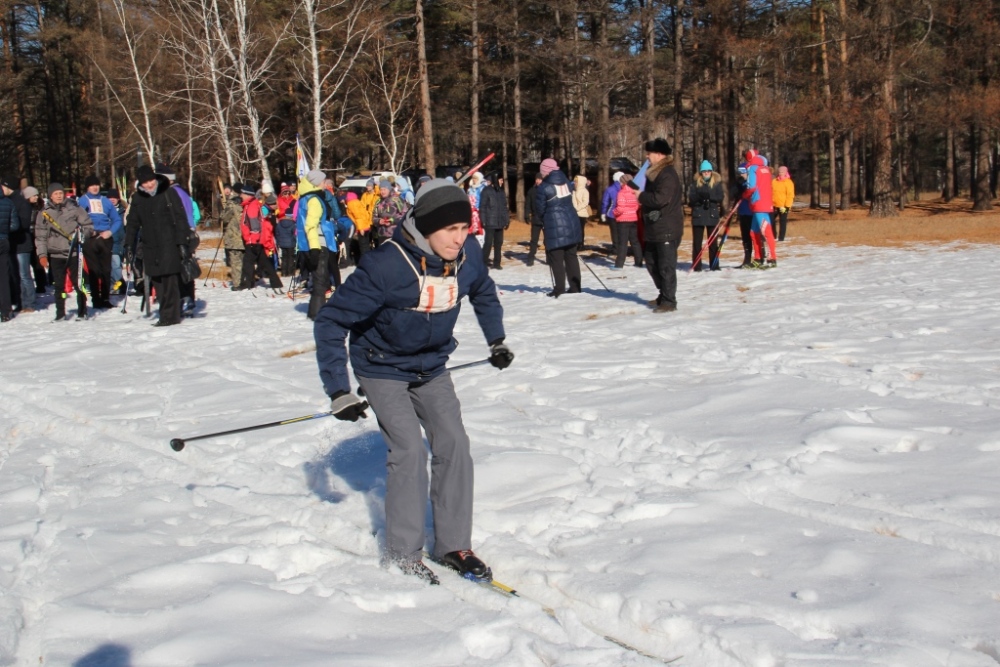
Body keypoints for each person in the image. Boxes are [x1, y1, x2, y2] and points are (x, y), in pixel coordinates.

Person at [314, 178, 513, 585]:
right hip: (381, 366)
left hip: (432, 366)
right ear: (424, 227)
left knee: (454, 443)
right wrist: (339, 390)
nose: (459, 239)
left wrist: (497, 340)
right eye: (449, 231)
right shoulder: (385, 265)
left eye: (464, 230)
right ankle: (404, 553)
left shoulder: (467, 254)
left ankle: (453, 545)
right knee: (407, 449)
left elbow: (484, 292)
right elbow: (331, 321)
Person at [124, 166, 191, 326]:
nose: (149, 185)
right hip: (150, 247)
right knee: (158, 281)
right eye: (145, 182)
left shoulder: (169, 193)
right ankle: (165, 314)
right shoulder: (138, 199)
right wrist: (128, 245)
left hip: (169, 244)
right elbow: (132, 223)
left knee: (170, 280)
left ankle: (171, 316)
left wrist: (182, 243)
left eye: (151, 180)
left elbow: (181, 219)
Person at [628, 137, 683, 312]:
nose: (647, 156)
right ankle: (663, 294)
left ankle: (669, 301)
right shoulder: (655, 174)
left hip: (666, 228)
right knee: (652, 262)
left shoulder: (667, 174)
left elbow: (661, 199)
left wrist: (641, 196)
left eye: (649, 153)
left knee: (666, 266)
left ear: (659, 155)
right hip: (654, 227)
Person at [37, 183, 93, 320]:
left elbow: (88, 225)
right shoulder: (44, 213)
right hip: (55, 253)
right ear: (50, 195)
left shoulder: (74, 208)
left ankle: (82, 311)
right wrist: (42, 254)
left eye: (60, 193)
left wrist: (82, 236)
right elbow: (40, 236)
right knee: (59, 286)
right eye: (55, 194)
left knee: (78, 284)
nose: (58, 196)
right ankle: (60, 313)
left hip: (73, 252)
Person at [535, 158, 582, 297]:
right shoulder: (567, 182)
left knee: (556, 257)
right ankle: (575, 287)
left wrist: (544, 219)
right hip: (572, 222)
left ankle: (559, 288)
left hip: (554, 225)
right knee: (571, 256)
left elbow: (540, 209)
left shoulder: (543, 187)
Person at [297, 169, 339, 319]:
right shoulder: (314, 200)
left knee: (318, 279)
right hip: (318, 243)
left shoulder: (304, 198)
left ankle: (315, 311)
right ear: (316, 183)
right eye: (322, 181)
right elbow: (311, 225)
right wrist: (315, 247)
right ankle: (317, 314)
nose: (324, 184)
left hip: (306, 244)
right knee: (321, 281)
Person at [77, 176, 123, 308]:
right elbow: (77, 219)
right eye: (92, 185)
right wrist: (87, 231)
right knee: (94, 270)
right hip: (90, 238)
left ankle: (105, 298)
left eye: (97, 185)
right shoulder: (82, 201)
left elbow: (117, 220)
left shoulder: (106, 201)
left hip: (105, 238)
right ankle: (96, 299)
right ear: (87, 187)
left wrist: (110, 232)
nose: (95, 187)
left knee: (106, 269)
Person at [239, 183, 282, 292]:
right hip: (257, 239)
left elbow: (254, 223)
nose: (241, 195)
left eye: (242, 193)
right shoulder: (251, 204)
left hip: (253, 240)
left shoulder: (252, 206)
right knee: (265, 262)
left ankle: (247, 283)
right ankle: (276, 282)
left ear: (247, 195)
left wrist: (253, 239)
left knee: (247, 262)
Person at [688, 160, 725, 272]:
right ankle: (696, 266)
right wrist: (700, 198)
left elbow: (720, 197)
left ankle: (714, 265)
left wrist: (710, 197)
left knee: (713, 243)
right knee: (697, 243)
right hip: (698, 216)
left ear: (711, 172)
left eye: (708, 171)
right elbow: (691, 199)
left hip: (712, 216)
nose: (706, 173)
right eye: (704, 171)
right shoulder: (695, 184)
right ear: (701, 172)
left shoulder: (717, 184)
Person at [6, 180, 37, 313]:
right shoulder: (9, 201)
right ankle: (19, 302)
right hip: (12, 243)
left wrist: (9, 226)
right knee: (15, 275)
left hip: (22, 243)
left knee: (24, 275)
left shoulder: (22, 202)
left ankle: (29, 303)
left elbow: (24, 224)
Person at [742, 149, 776, 267]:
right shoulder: (766, 169)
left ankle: (772, 259)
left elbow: (751, 186)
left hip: (758, 203)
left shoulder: (753, 168)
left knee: (766, 231)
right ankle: (758, 258)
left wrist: (745, 195)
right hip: (766, 203)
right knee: (753, 231)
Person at [0, 178, 22, 321]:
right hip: (3, 240)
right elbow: (15, 225)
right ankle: (6, 311)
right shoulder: (8, 202)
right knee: (3, 277)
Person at [478, 173, 509, 269]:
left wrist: (506, 220)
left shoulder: (501, 192)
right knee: (488, 243)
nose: (502, 182)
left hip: (500, 222)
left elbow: (504, 207)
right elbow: (482, 207)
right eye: (500, 180)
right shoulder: (486, 191)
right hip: (490, 222)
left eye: (502, 180)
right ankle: (482, 262)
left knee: (498, 242)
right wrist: (483, 220)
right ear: (496, 180)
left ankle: (497, 263)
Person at [611, 174, 642, 269]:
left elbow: (620, 208)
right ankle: (639, 262)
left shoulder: (621, 193)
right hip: (633, 219)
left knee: (622, 242)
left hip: (623, 220)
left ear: (623, 182)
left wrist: (614, 212)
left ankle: (619, 264)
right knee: (635, 241)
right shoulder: (635, 192)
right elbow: (637, 206)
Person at [220, 183, 245, 288]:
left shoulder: (231, 203)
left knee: (235, 261)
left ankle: (237, 283)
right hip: (245, 236)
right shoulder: (246, 202)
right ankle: (246, 280)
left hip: (233, 236)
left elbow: (224, 218)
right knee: (244, 260)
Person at [372, 178, 407, 245]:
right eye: (381, 189)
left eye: (384, 189)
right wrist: (379, 221)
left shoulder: (397, 200)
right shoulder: (378, 202)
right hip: (382, 235)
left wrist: (392, 221)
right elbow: (374, 217)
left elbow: (405, 216)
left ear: (389, 189)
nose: (382, 192)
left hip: (395, 234)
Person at [106, 189, 127, 293]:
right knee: (115, 264)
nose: (112, 200)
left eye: (114, 198)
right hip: (111, 242)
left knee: (118, 265)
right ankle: (118, 285)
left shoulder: (123, 211)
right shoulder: (106, 211)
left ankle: (119, 285)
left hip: (122, 242)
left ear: (118, 199)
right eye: (110, 198)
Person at [733, 165, 753, 268]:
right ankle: (747, 259)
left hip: (752, 213)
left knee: (754, 236)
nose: (741, 174)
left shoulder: (751, 182)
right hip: (742, 212)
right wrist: (737, 187)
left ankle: (760, 258)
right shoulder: (740, 182)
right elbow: (733, 193)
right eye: (739, 171)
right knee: (745, 237)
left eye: (743, 172)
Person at [344, 191, 372, 264]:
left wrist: (360, 228)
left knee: (363, 246)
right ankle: (369, 261)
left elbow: (358, 217)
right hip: (366, 226)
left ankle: (365, 263)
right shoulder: (357, 202)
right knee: (366, 245)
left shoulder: (351, 204)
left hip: (362, 227)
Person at [601, 172, 624, 254]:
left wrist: (603, 212)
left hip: (612, 214)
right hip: (623, 214)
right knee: (622, 231)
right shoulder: (626, 188)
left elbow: (605, 201)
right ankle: (622, 248)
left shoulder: (610, 189)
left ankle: (616, 248)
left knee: (614, 232)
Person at [524, 174, 543, 267]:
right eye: (536, 179)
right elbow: (527, 203)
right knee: (534, 240)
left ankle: (550, 258)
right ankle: (531, 258)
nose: (537, 181)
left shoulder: (546, 190)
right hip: (535, 218)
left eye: (539, 179)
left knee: (548, 240)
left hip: (545, 218)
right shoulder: (531, 191)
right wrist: (526, 214)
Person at [772, 165, 794, 242]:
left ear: (785, 173)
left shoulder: (788, 182)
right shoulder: (774, 181)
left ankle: (781, 238)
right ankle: (773, 235)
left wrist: (786, 206)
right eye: (779, 172)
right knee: (771, 220)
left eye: (782, 172)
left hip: (783, 206)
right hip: (774, 205)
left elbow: (790, 195)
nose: (780, 173)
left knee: (782, 221)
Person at [571, 174, 591, 240]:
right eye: (574, 182)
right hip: (574, 213)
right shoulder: (574, 191)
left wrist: (577, 208)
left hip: (582, 213)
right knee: (574, 229)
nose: (575, 183)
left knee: (580, 229)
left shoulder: (585, 191)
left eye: (576, 182)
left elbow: (585, 202)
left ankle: (581, 244)